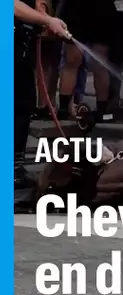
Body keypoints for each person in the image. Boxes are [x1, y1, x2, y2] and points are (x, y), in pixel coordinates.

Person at [14, 0, 69, 188]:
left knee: (23, 103)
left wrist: (43, 14)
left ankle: (15, 168)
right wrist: (46, 20)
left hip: (19, 44)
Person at [58, 0, 116, 122]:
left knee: (98, 62)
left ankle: (101, 110)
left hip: (99, 9)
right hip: (78, 8)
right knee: (73, 60)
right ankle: (64, 109)